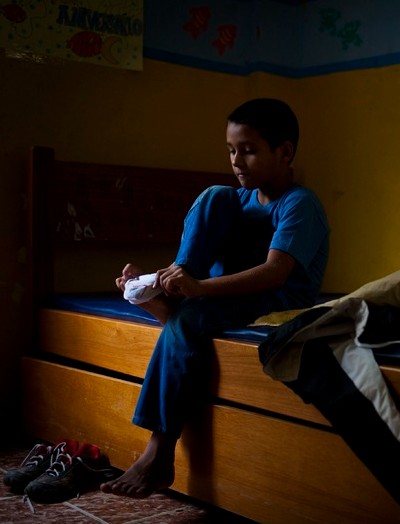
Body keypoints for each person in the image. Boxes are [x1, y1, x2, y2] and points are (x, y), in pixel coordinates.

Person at [100, 98, 330, 498]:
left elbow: (276, 273)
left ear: (285, 152)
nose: (237, 160)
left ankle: (159, 450)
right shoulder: (236, 200)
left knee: (187, 320)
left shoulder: (300, 203)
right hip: (220, 288)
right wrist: (184, 279)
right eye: (231, 150)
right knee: (213, 196)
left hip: (279, 295)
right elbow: (212, 244)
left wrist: (201, 289)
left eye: (249, 150)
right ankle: (169, 285)